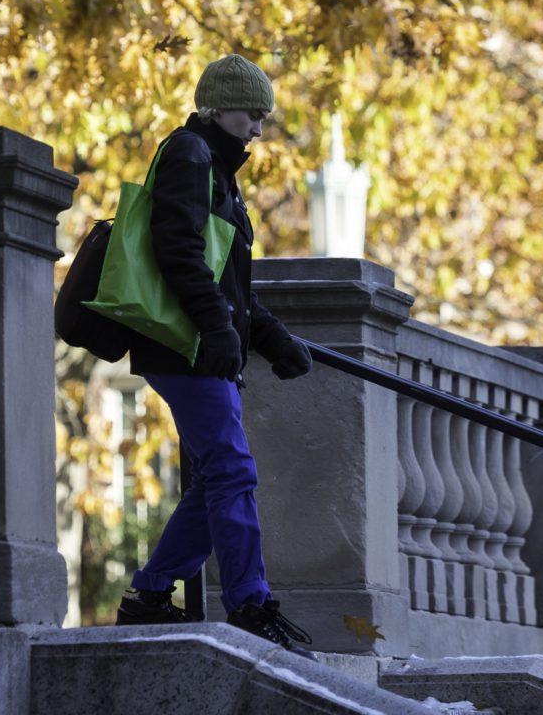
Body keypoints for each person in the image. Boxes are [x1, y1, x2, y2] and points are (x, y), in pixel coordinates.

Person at [114, 54, 317, 658]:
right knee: (232, 471)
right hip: (182, 343)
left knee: (214, 480)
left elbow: (232, 286)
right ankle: (250, 605)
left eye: (263, 118)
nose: (258, 128)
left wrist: (273, 339)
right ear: (217, 106)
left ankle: (148, 596)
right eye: (251, 115)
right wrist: (216, 326)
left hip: (200, 341)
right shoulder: (190, 155)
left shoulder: (217, 169)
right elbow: (177, 252)